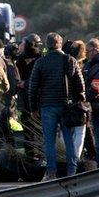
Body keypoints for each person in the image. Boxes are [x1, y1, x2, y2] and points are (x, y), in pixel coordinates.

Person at [28, 33, 85, 179]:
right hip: (67, 105)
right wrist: (80, 101)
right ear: (60, 44)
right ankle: (72, 169)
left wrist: (33, 107)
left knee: (49, 140)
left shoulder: (41, 62)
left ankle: (52, 171)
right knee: (69, 139)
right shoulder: (70, 60)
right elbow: (80, 84)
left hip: (47, 105)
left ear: (47, 45)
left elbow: (33, 86)